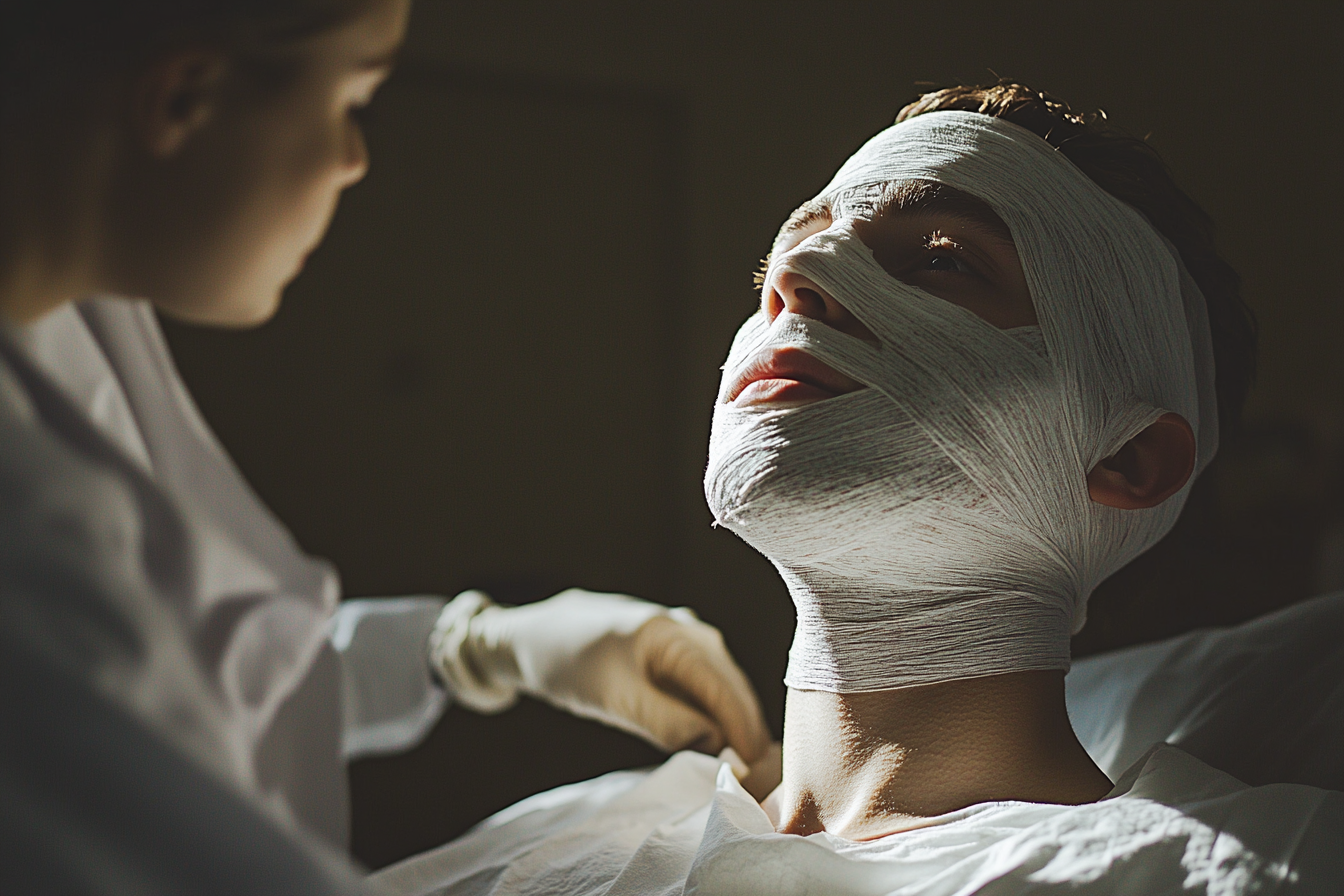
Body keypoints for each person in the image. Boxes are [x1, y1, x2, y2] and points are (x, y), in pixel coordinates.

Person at [366, 83, 1343, 896]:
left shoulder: (1239, 868)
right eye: (779, 261)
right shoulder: (553, 838)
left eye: (940, 261)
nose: (795, 276)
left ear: (1126, 461)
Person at [0, 0, 770, 891]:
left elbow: (191, 663)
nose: (355, 159)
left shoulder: (71, 309)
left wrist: (468, 647)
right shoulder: (26, 510)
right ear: (183, 95)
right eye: (352, 102)